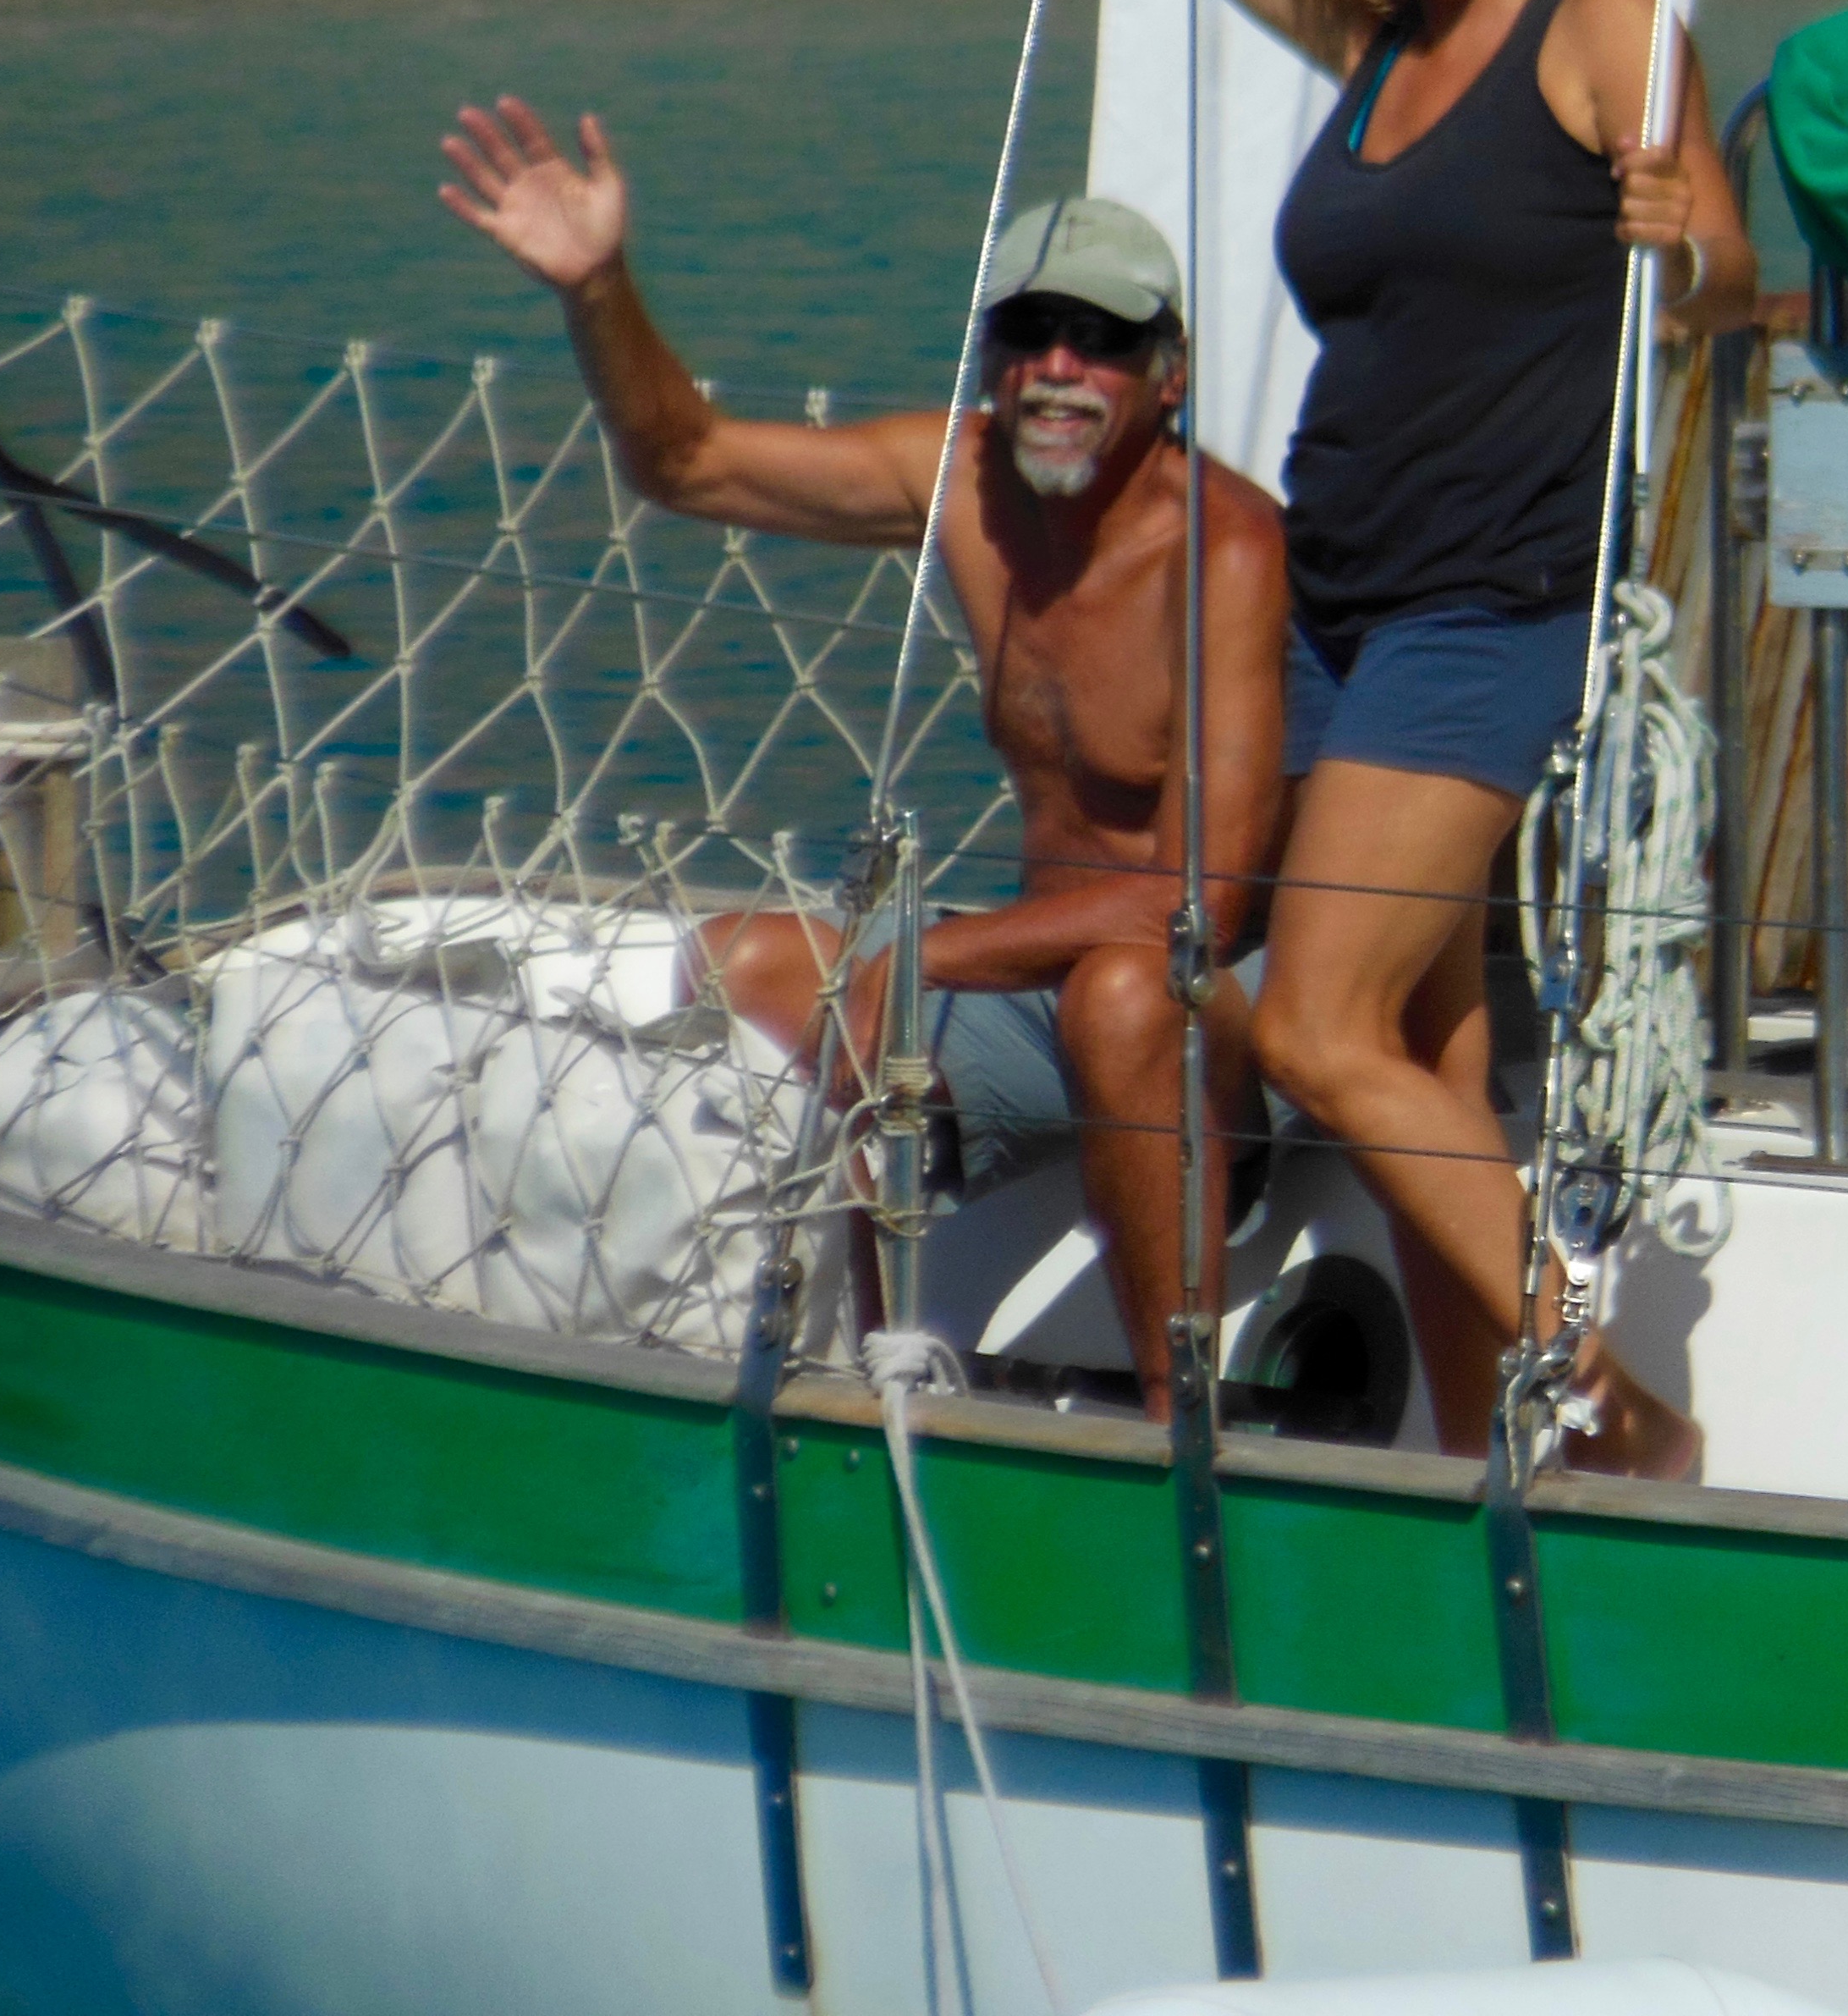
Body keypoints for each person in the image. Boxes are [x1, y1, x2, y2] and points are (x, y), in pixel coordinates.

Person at [1106, 0, 1757, 1478]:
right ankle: (1487, 1479)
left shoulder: (1601, 26)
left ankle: (1618, 1406)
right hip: (1334, 604)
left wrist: (1692, 242)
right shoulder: (1366, 37)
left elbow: (1725, 278)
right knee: (1406, 1058)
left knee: (1312, 1026)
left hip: (1492, 612)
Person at [437, 105, 1289, 1422]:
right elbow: (685, 461)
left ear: (1168, 376)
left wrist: (936, 954)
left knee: (1120, 998)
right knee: (746, 963)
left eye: (1102, 340)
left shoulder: (1227, 550)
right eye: (1028, 334)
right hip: (1037, 984)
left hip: (1203, 1011)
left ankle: (1184, 1437)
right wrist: (597, 287)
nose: (1058, 370)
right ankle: (861, 1380)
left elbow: (1205, 908)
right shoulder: (963, 481)